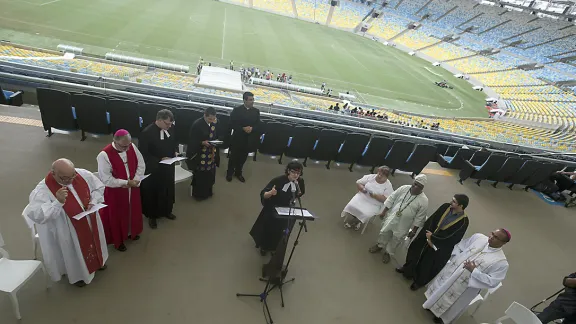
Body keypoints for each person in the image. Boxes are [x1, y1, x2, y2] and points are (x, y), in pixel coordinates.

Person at [24, 159, 108, 287]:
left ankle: (98, 262)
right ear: (53, 173)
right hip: (66, 230)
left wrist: (93, 201)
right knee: (73, 251)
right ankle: (79, 275)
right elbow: (38, 216)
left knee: (93, 240)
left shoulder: (81, 174)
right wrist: (58, 202)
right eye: (65, 178)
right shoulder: (42, 190)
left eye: (73, 175)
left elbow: (98, 187)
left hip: (89, 221)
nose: (71, 180)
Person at [423, 229, 511, 324]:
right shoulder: (479, 237)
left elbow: (493, 281)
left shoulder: (501, 262)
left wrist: (474, 271)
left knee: (455, 301)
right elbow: (461, 246)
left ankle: (442, 318)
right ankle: (431, 304)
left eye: (496, 237)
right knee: (443, 287)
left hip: (467, 286)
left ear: (503, 243)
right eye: (492, 233)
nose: (491, 237)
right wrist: (455, 259)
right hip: (453, 272)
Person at [396, 194, 470, 291]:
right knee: (416, 251)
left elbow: (453, 237)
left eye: (454, 202)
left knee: (427, 263)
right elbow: (433, 219)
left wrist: (434, 239)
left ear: (461, 206)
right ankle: (407, 269)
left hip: (439, 244)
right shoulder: (445, 207)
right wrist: (428, 234)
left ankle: (418, 281)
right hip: (428, 234)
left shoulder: (464, 221)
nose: (451, 202)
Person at [97, 129, 145, 252]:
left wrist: (136, 178)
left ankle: (131, 232)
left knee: (132, 211)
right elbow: (106, 179)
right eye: (124, 146)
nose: (127, 148)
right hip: (116, 192)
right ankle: (118, 240)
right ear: (115, 142)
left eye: (129, 144)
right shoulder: (104, 155)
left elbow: (141, 164)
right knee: (117, 216)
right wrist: (125, 182)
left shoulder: (131, 146)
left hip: (132, 188)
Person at [368, 175, 429, 264]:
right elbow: (391, 198)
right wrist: (384, 211)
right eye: (415, 184)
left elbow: (420, 217)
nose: (415, 187)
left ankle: (388, 252)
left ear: (422, 188)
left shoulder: (424, 200)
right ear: (413, 182)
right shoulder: (404, 188)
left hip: (404, 224)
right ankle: (380, 245)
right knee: (384, 232)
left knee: (397, 238)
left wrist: (414, 231)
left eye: (419, 186)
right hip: (392, 216)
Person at [250, 162, 305, 256]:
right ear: (288, 171)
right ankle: (264, 247)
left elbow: (301, 192)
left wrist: (295, 197)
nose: (296, 175)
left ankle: (274, 247)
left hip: (287, 209)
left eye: (298, 173)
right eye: (293, 172)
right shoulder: (278, 180)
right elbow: (263, 193)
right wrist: (271, 193)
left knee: (281, 230)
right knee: (269, 229)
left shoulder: (299, 181)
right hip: (273, 208)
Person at [139, 109, 177, 229]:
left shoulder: (170, 128)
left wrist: (175, 151)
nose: (170, 126)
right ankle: (152, 216)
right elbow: (143, 153)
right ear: (159, 120)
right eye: (167, 124)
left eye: (171, 124)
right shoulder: (147, 133)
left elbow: (174, 142)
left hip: (168, 166)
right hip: (154, 168)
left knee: (167, 189)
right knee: (153, 192)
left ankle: (166, 210)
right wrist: (160, 159)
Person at [341, 166, 394, 231]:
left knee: (365, 213)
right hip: (362, 197)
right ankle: (356, 219)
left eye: (382, 176)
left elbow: (386, 199)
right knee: (351, 206)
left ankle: (357, 221)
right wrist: (362, 189)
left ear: (386, 177)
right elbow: (359, 182)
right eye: (379, 174)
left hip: (374, 204)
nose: (379, 176)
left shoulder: (388, 185)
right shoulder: (371, 177)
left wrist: (375, 196)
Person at [186, 107, 220, 200]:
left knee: (210, 173)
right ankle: (199, 194)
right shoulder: (197, 124)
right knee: (201, 175)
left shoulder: (214, 123)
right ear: (205, 115)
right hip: (200, 154)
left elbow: (217, 134)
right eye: (209, 119)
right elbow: (192, 140)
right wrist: (202, 142)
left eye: (213, 119)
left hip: (211, 153)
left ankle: (208, 191)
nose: (211, 121)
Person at [226, 91, 260, 182]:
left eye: (253, 100)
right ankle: (229, 173)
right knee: (233, 157)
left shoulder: (256, 111)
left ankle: (238, 173)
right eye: (250, 100)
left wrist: (252, 128)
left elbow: (258, 125)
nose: (252, 101)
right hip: (237, 138)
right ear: (244, 100)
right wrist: (242, 128)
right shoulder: (237, 110)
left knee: (243, 158)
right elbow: (231, 124)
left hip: (248, 140)